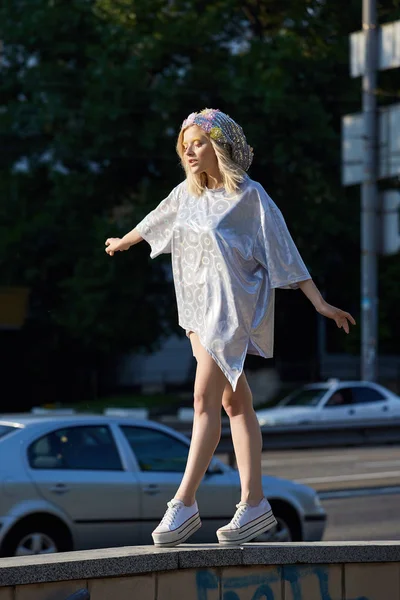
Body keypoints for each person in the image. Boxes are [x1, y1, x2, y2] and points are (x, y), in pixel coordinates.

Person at [105, 108, 356, 547]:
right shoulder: (186, 195)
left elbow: (284, 250)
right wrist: (125, 239)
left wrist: (319, 302)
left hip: (230, 309)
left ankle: (183, 504)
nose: (189, 150)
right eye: (185, 144)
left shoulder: (250, 197)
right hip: (198, 313)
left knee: (203, 400)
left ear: (219, 146)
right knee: (235, 405)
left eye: (198, 142)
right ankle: (255, 502)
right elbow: (156, 219)